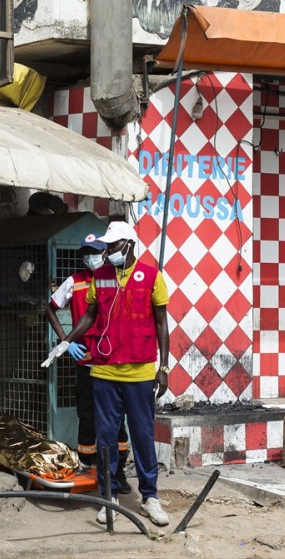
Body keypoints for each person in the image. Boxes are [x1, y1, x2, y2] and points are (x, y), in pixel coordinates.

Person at [43, 221, 171, 527]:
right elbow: (89, 316)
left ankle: (149, 497)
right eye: (107, 247)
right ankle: (109, 497)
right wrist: (66, 341)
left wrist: (163, 367)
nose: (107, 252)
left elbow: (161, 323)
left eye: (113, 247)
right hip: (104, 369)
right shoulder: (98, 278)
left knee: (142, 437)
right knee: (105, 438)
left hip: (139, 372)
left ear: (128, 245)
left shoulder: (152, 277)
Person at [44, 235, 132, 494]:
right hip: (84, 358)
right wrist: (65, 341)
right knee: (87, 415)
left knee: (117, 418)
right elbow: (50, 308)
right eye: (86, 252)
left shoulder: (114, 278)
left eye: (94, 252)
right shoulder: (74, 281)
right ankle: (86, 466)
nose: (90, 257)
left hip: (112, 359)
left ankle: (118, 473)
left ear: (104, 253)